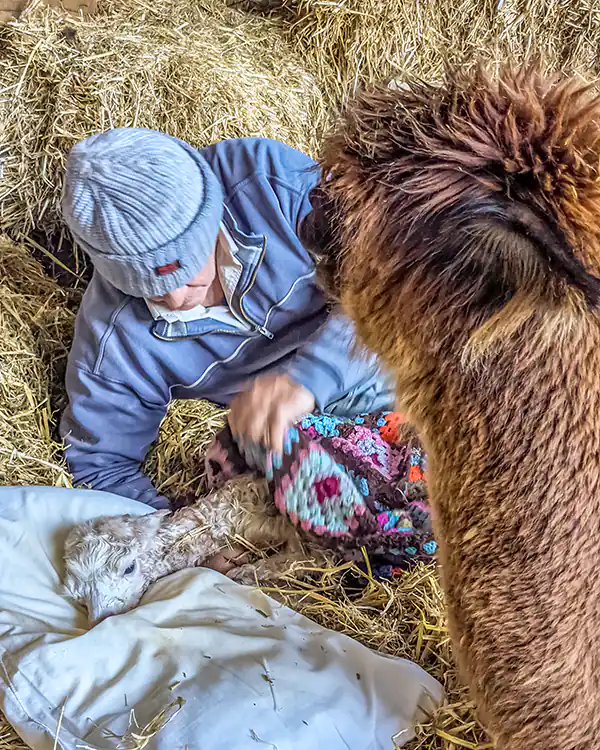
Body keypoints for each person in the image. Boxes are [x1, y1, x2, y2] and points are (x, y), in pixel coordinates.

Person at [60, 128, 393, 510]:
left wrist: (308, 380)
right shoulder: (113, 343)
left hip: (379, 361)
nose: (177, 298)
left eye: (186, 268)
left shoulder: (272, 187)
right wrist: (185, 539)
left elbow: (391, 280)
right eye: (149, 288)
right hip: (285, 446)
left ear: (210, 211)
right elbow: (103, 468)